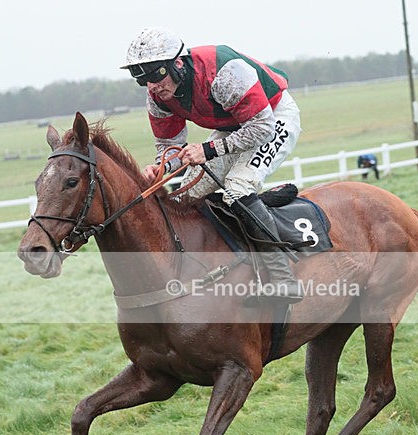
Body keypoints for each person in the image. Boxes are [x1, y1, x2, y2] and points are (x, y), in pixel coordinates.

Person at [121, 27, 303, 303]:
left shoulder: (224, 71)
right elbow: (170, 148)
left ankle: (283, 279)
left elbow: (262, 128)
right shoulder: (158, 97)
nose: (153, 86)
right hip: (233, 125)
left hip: (272, 118)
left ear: (177, 63)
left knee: (237, 187)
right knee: (185, 197)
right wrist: (160, 169)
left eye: (157, 74)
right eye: (142, 79)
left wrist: (209, 149)